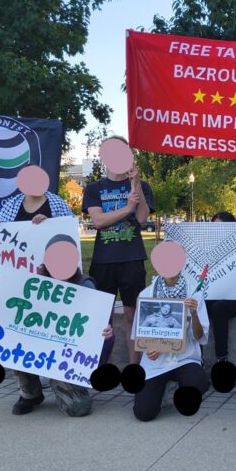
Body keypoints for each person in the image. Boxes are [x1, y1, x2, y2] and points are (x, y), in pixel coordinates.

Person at [0, 234, 113, 417]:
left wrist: (106, 335)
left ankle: (61, 383)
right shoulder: (32, 284)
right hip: (36, 350)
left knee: (78, 409)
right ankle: (30, 393)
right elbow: (7, 312)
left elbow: (99, 329)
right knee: (16, 343)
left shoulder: (86, 286)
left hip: (67, 358)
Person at [83, 137, 155, 365]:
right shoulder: (94, 188)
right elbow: (98, 221)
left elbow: (141, 218)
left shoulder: (142, 186)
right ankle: (102, 366)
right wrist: (127, 208)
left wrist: (136, 184)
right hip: (103, 261)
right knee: (102, 318)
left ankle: (134, 367)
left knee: (132, 315)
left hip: (132, 258)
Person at [132, 268, 210, 422]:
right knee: (143, 413)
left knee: (198, 383)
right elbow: (139, 334)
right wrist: (148, 347)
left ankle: (178, 391)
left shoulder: (194, 295)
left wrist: (194, 314)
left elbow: (199, 337)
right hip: (155, 363)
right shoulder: (146, 294)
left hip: (184, 359)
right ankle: (160, 392)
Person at [205, 211, 236, 364]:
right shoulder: (206, 250)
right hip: (211, 297)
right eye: (214, 228)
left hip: (234, 301)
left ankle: (221, 359)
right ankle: (196, 357)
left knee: (218, 307)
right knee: (200, 305)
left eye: (221, 228)